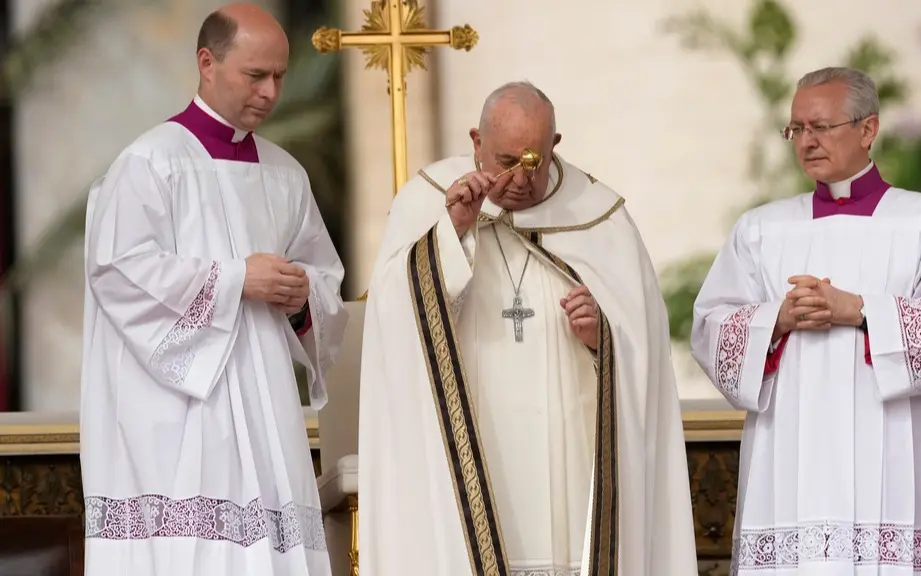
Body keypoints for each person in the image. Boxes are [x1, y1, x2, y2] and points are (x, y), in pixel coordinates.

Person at [358, 81, 698, 575]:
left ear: (555, 146)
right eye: (504, 160)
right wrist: (451, 232)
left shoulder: (600, 218)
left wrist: (602, 338)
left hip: (569, 466)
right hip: (469, 454)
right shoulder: (427, 202)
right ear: (476, 142)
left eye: (533, 162)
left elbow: (644, 349)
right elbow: (392, 323)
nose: (518, 178)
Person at [691, 66, 921, 575]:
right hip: (789, 462)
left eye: (820, 127)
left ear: (867, 129)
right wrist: (778, 319)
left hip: (892, 456)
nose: (806, 141)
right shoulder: (762, 229)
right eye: (796, 129)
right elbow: (711, 328)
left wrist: (859, 310)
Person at [79, 4, 348, 575]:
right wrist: (234, 279)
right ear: (207, 63)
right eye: (256, 75)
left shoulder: (285, 174)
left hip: (267, 406)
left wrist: (301, 297)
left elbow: (324, 279)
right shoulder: (151, 162)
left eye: (280, 75)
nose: (271, 92)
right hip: (182, 414)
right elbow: (117, 270)